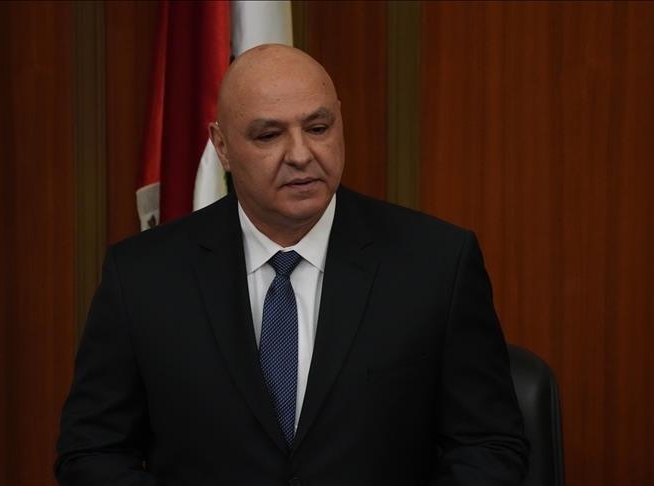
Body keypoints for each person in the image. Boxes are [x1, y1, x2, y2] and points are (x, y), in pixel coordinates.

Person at [55, 44, 529, 486]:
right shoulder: (142, 277)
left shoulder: (436, 263)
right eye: (269, 135)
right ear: (222, 146)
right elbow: (93, 451)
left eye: (318, 128)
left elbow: (488, 445)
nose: (301, 155)